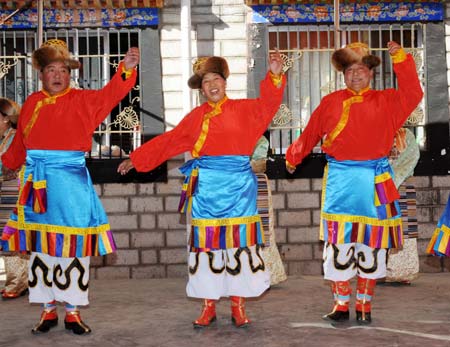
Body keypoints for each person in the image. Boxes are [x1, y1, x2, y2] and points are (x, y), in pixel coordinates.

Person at [118, 53, 285, 328]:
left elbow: (270, 104)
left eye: (215, 78)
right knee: (207, 251)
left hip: (240, 191)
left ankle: (238, 306)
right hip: (206, 191)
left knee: (239, 248)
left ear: (224, 81)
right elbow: (169, 141)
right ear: (201, 89)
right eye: (205, 82)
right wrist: (136, 159)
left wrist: (274, 76)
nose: (211, 85)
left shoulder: (246, 109)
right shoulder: (196, 117)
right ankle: (208, 306)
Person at [0, 39, 139, 335]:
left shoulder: (84, 100)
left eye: (63, 70)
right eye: (51, 69)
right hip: (37, 186)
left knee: (73, 247)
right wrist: (7, 162)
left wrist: (125, 71)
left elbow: (112, 94)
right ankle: (48, 309)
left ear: (69, 74)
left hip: (71, 184)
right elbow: (20, 146)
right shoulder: (32, 105)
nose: (58, 75)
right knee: (42, 249)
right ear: (41, 74)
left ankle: (73, 311)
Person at [285, 41, 423, 324]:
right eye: (350, 70)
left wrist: (401, 60)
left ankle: (364, 305)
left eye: (361, 69)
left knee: (372, 245)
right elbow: (311, 132)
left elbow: (414, 92)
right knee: (339, 244)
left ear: (370, 72)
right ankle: (340, 304)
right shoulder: (330, 102)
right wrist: (294, 155)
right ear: (343, 74)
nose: (355, 75)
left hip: (375, 180)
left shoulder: (388, 101)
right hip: (340, 181)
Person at [0, 97, 29, 300]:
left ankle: (18, 283)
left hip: (15, 192)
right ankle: (16, 281)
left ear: (5, 119)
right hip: (6, 192)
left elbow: (9, 166)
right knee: (7, 237)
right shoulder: (4, 137)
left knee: (12, 237)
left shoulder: (13, 138)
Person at [385, 128, 420, 284]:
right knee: (379, 226)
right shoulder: (374, 130)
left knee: (404, 226)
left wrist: (392, 176)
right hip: (379, 184)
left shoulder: (407, 135)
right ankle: (379, 270)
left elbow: (412, 157)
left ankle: (403, 272)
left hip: (402, 184)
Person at [251, 136, 287, 285]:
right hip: (235, 185)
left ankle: (263, 273)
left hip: (254, 183)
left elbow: (259, 164)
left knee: (261, 230)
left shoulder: (259, 139)